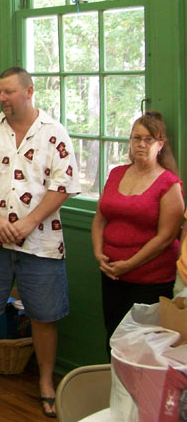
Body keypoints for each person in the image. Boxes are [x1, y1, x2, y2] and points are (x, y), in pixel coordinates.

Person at [0, 66, 80, 418]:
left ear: (29, 91)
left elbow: (63, 186)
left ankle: (45, 383)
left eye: (9, 92)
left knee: (44, 316)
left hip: (41, 244)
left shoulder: (54, 133)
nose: (2, 98)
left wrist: (28, 222)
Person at [92, 111, 183, 353]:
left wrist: (129, 264)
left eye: (149, 139)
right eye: (136, 138)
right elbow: (100, 218)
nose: (141, 144)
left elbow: (165, 238)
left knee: (140, 347)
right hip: (111, 274)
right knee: (113, 337)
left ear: (160, 144)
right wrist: (98, 253)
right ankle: (114, 389)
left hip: (150, 281)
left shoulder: (169, 184)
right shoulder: (116, 173)